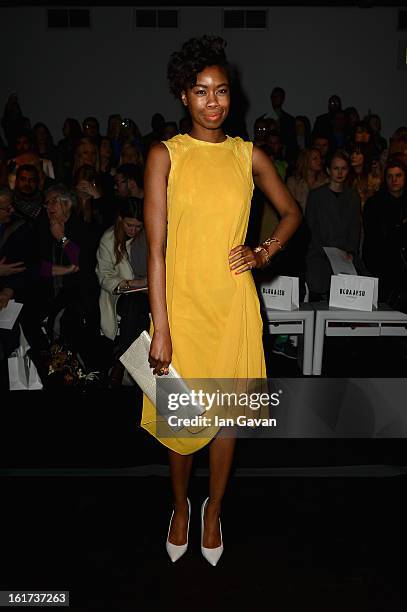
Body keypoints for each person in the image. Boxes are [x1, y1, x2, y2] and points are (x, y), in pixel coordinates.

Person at [141, 35, 301, 565]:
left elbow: (292, 212)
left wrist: (263, 252)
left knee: (227, 420)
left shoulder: (246, 154)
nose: (214, 102)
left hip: (233, 304)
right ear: (183, 97)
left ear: (233, 96)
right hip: (182, 308)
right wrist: (160, 326)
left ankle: (213, 512)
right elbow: (157, 250)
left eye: (222, 91)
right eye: (201, 91)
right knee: (180, 421)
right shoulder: (165, 155)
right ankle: (181, 507)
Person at [96, 198, 149, 388]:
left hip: (147, 294)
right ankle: (126, 364)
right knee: (135, 308)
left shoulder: (147, 236)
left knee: (139, 313)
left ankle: (120, 362)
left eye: (138, 226)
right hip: (121, 294)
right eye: (129, 225)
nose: (133, 230)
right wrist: (131, 283)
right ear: (120, 220)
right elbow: (104, 275)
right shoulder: (109, 239)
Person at [305, 150, 362, 300]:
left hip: (344, 256)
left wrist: (350, 251)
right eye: (336, 168)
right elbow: (310, 228)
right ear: (329, 170)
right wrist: (321, 251)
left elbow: (355, 228)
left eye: (343, 168)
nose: (340, 172)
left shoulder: (353, 197)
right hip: (319, 255)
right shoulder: (316, 196)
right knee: (319, 291)